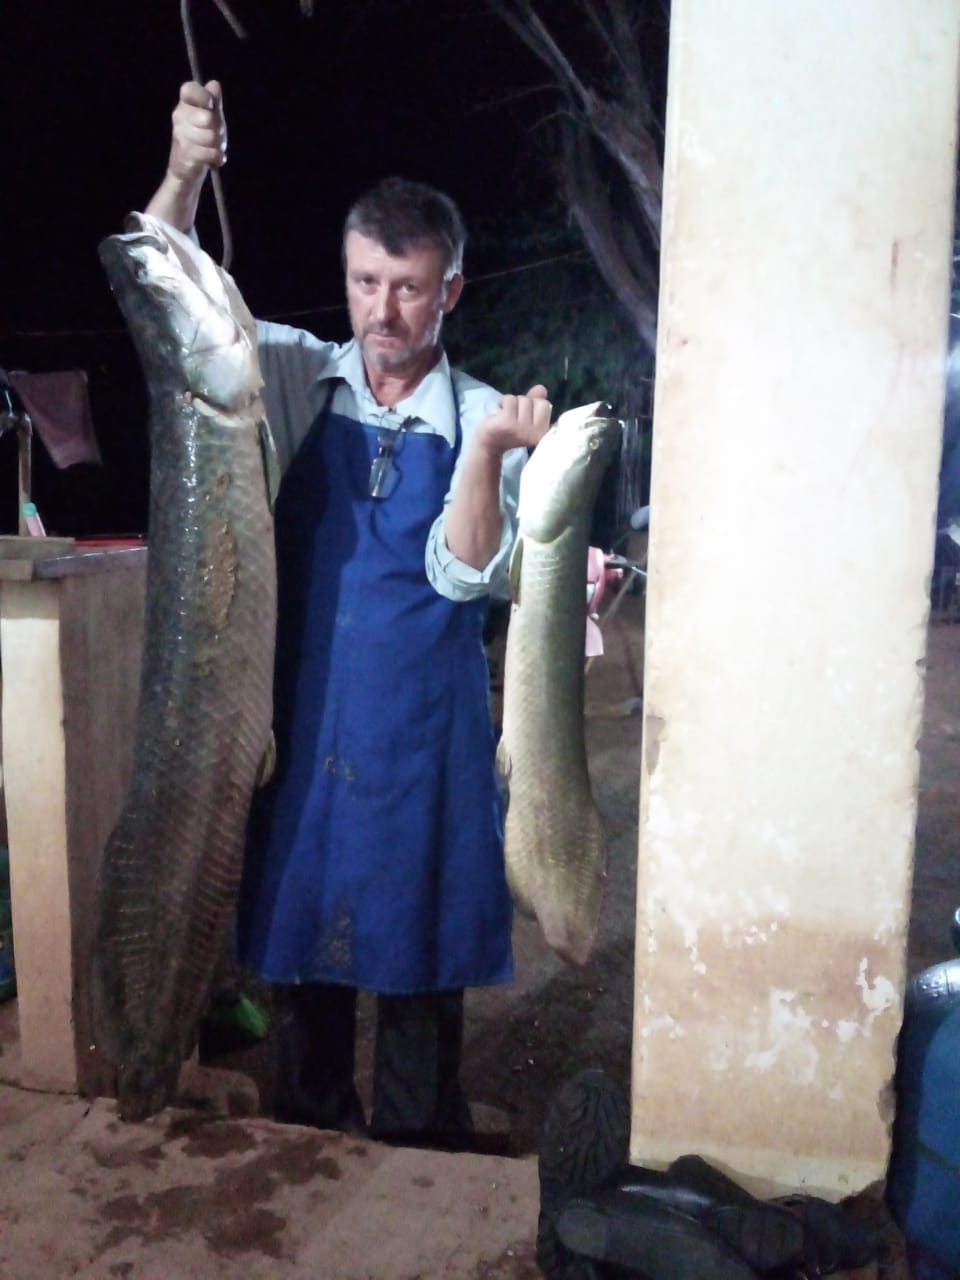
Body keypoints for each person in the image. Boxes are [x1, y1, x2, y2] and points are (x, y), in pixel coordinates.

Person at [144, 79, 552, 1148]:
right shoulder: (289, 376)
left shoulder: (485, 416)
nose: (383, 311)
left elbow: (465, 574)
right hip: (307, 722)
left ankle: (422, 1142)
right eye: (366, 281)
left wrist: (487, 454)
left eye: (408, 288)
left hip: (427, 735)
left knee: (419, 955)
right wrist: (184, 174)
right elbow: (169, 286)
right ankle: (315, 1136)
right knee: (304, 952)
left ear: (450, 290)